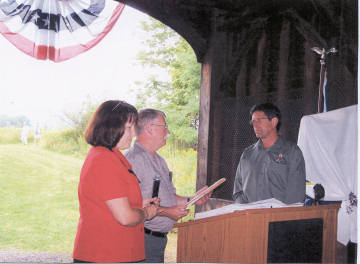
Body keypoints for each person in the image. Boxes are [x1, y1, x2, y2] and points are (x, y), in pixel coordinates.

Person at [72, 100, 159, 263]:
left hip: (116, 253)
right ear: (111, 126)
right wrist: (146, 213)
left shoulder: (112, 155)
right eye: (129, 127)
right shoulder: (104, 161)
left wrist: (139, 204)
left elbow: (113, 201)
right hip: (105, 254)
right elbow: (125, 217)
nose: (133, 134)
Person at [125, 109, 211, 263]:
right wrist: (168, 213)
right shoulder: (134, 160)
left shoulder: (159, 159)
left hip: (156, 241)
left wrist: (193, 198)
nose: (168, 131)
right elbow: (132, 205)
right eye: (164, 127)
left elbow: (170, 197)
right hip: (142, 240)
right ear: (150, 128)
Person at [233, 103, 306, 204]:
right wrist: (245, 212)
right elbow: (238, 192)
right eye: (253, 121)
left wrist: (279, 217)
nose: (255, 125)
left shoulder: (292, 152)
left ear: (274, 122)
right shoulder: (247, 155)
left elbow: (296, 196)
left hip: (279, 218)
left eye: (259, 120)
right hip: (249, 217)